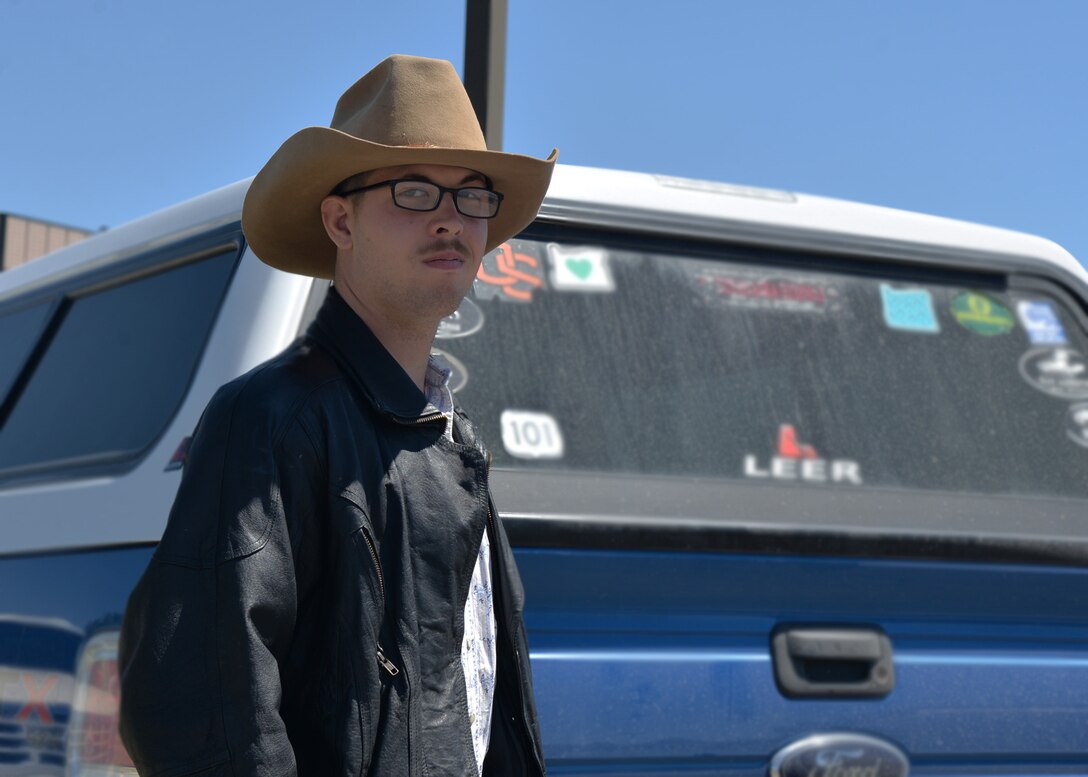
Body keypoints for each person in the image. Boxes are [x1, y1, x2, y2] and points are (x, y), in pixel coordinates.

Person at [119, 54, 558, 776]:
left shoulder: (450, 441)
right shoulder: (270, 418)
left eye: (473, 195)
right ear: (339, 219)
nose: (451, 218)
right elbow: (201, 716)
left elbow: (476, 717)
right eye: (415, 190)